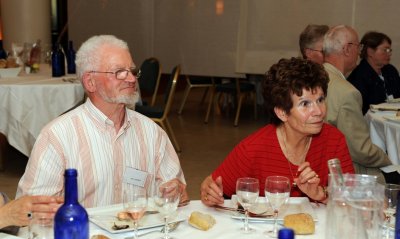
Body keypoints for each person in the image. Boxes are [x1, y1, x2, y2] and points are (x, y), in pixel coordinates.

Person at [16, 35, 188, 208]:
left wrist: (175, 191)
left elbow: (179, 196)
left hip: (140, 231)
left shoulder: (151, 132)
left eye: (132, 71)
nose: (131, 79)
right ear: (90, 82)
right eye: (119, 72)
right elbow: (32, 211)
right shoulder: (57, 137)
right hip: (82, 234)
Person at [200, 57, 354, 206]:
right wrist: (210, 191)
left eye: (320, 100)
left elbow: (352, 200)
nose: (319, 111)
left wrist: (321, 194)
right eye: (305, 104)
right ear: (282, 113)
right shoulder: (253, 149)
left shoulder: (334, 140)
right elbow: (213, 186)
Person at [323, 25, 392, 183]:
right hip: (342, 173)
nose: (360, 52)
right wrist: (389, 158)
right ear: (347, 49)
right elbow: (361, 151)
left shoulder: (315, 76)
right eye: (358, 46)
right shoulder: (347, 92)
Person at [348, 31, 400, 114]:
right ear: (370, 52)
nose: (389, 53)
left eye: (390, 50)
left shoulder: (391, 71)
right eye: (385, 50)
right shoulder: (358, 77)